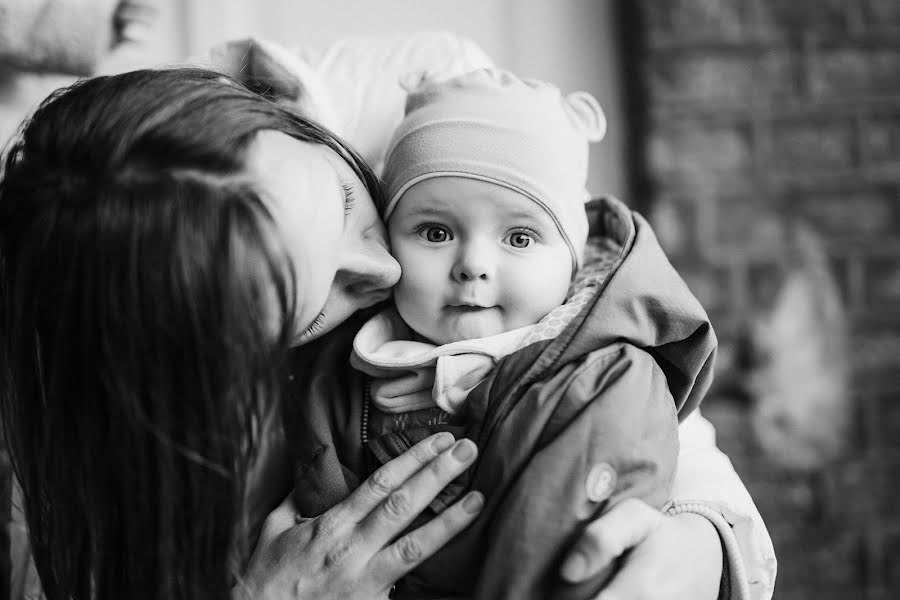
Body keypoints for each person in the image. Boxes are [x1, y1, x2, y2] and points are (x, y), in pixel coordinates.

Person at [0, 67, 767, 600]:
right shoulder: (81, 469)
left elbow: (650, 398)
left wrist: (705, 548)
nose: (386, 269)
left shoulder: (447, 117)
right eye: (317, 298)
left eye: (341, 203)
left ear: (280, 115)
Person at [285, 68, 715, 599]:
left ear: (573, 262)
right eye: (436, 232)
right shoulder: (343, 369)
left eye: (519, 236)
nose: (473, 265)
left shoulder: (605, 384)